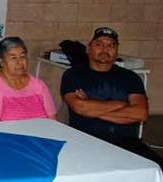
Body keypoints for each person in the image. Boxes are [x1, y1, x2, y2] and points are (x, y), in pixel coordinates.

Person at [61, 27, 163, 167]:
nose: (105, 49)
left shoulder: (131, 77)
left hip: (127, 142)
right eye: (99, 44)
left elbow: (141, 113)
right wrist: (121, 104)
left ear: (117, 51)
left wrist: (91, 108)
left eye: (111, 45)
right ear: (89, 48)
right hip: (85, 141)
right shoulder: (73, 75)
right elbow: (79, 107)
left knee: (157, 169)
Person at [0, 37, 57, 121]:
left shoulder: (38, 84)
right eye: (13, 58)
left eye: (22, 56)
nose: (19, 62)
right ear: (1, 61)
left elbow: (52, 119)